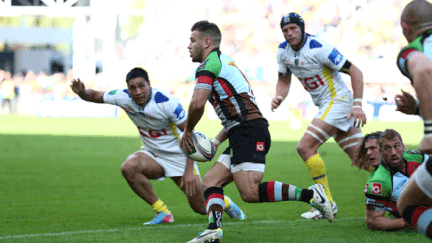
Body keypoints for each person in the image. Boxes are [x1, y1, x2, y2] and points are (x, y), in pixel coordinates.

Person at [180, 20, 333, 243]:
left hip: (249, 132)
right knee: (211, 181)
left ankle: (311, 195)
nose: (189, 45)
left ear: (206, 42)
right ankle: (214, 230)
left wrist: (188, 131)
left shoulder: (207, 66)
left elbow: (196, 104)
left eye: (192, 40)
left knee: (250, 193)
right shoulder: (225, 62)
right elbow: (236, 114)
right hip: (243, 130)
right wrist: (215, 140)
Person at [69, 67, 246, 225]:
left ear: (149, 85)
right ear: (128, 89)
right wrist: (82, 92)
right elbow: (95, 96)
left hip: (179, 156)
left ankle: (227, 203)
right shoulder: (123, 97)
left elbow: (190, 135)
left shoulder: (166, 102)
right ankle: (162, 212)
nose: (138, 91)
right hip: (152, 155)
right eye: (133, 87)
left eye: (141, 86)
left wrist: (189, 171)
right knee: (129, 167)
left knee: (200, 207)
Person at [270, 12, 367, 220]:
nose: (289, 33)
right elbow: (284, 80)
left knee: (305, 147)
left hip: (339, 102)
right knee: (362, 160)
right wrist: (279, 96)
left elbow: (356, 71)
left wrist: (358, 104)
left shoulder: (319, 48)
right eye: (285, 30)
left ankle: (326, 203)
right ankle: (404, 187)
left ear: (302, 28)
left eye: (294, 28)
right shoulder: (282, 52)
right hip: (327, 105)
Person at [395, 0, 432, 239]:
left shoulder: (414, 49)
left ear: (406, 28)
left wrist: (429, 132)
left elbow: (423, 70)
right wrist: (419, 108)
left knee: (407, 205)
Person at [364, 129, 429, 231]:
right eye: (387, 148)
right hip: (417, 214)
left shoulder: (416, 157)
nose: (393, 152)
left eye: (396, 146)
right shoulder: (379, 182)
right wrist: (405, 222)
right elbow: (373, 221)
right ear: (381, 152)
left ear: (403, 146)